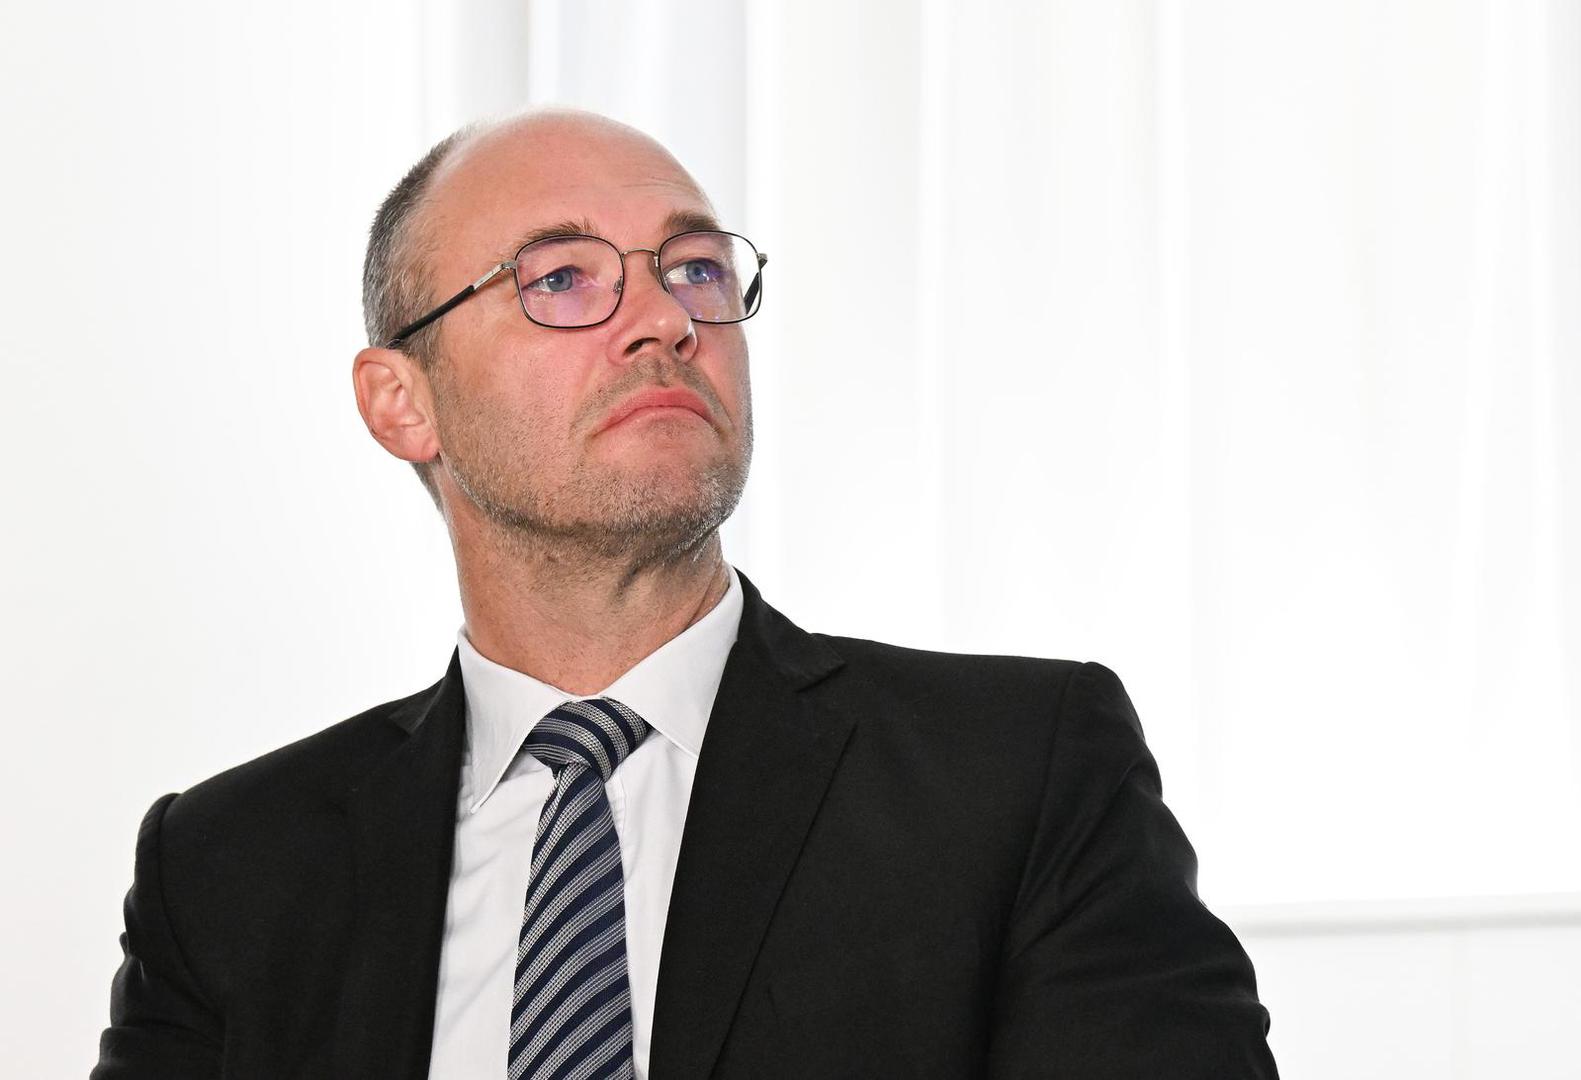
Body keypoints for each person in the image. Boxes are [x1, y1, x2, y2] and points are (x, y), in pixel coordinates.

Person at [93, 108, 1278, 1079]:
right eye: (562, 278)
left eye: (697, 270)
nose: (664, 321)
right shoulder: (228, 869)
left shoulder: (1019, 774)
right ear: (401, 402)